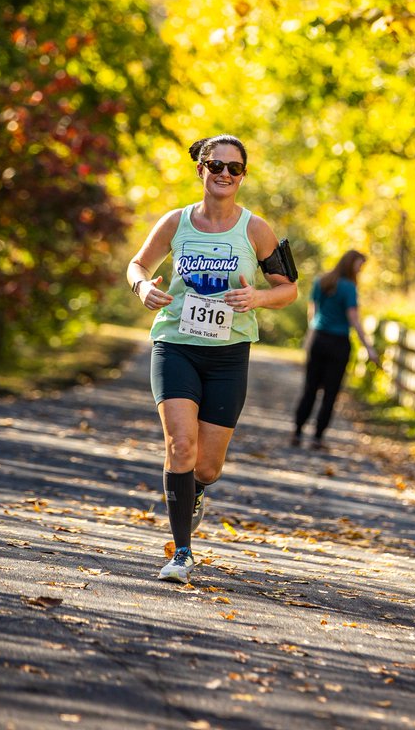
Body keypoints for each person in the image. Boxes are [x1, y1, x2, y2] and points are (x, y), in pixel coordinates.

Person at [126, 134, 297, 584]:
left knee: (207, 465)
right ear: (200, 170)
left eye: (233, 168)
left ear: (243, 175)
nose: (224, 174)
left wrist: (258, 296)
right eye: (215, 166)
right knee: (181, 445)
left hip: (228, 356)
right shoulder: (175, 221)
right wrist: (143, 288)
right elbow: (137, 265)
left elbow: (288, 289)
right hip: (175, 345)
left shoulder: (255, 229)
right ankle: (181, 552)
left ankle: (195, 491)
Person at [291, 250, 378, 450]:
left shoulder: (321, 281)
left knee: (310, 389)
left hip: (319, 340)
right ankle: (317, 438)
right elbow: (354, 319)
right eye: (360, 265)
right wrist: (369, 348)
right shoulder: (349, 288)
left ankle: (297, 431)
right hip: (338, 343)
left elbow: (312, 314)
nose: (360, 269)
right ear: (351, 263)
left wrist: (309, 340)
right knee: (331, 393)